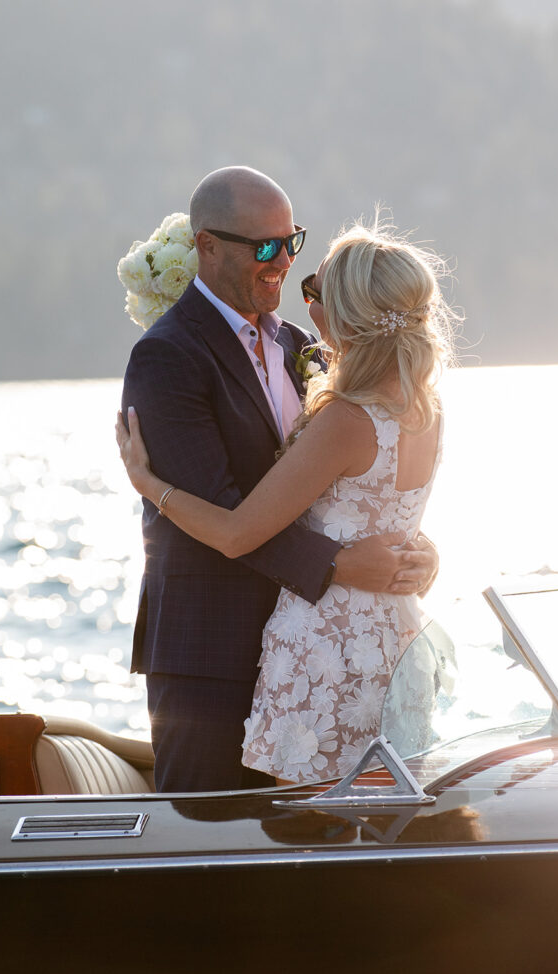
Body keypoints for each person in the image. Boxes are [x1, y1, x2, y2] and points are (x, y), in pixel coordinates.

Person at [119, 208, 453, 785]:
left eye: (313, 289)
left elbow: (235, 529)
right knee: (367, 822)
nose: (303, 299)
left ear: (347, 313)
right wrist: (404, 556)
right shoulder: (426, 409)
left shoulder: (341, 408)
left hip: (327, 644)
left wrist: (151, 487)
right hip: (388, 639)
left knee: (310, 830)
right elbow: (382, 508)